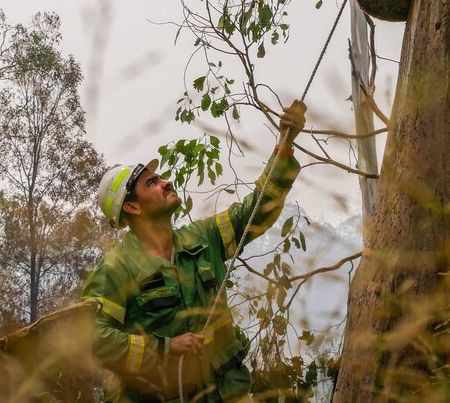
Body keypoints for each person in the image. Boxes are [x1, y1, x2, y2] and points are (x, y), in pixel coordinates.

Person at [82, 100, 307, 402]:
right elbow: (93, 339)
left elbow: (256, 210)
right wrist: (165, 347)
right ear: (133, 207)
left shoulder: (203, 238)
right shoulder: (115, 270)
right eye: (153, 182)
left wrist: (284, 144)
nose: (166, 182)